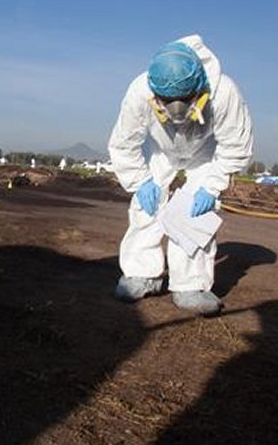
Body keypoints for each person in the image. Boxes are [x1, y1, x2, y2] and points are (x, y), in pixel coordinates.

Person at [108, 35, 254, 315]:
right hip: (161, 150)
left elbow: (235, 145)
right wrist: (140, 181)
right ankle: (142, 273)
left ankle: (190, 284)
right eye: (167, 101)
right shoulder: (140, 92)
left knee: (194, 217)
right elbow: (124, 143)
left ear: (198, 86)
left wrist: (212, 186)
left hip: (205, 153)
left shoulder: (224, 93)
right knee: (145, 208)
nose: (177, 109)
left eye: (184, 100)